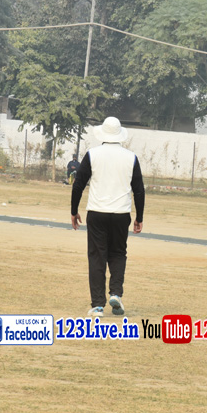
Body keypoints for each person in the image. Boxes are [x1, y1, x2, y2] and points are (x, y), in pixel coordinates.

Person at [71, 117, 145, 317]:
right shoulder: (131, 157)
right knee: (118, 253)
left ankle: (97, 305)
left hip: (97, 212)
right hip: (121, 213)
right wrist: (139, 217)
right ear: (120, 135)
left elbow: (78, 184)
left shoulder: (92, 155)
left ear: (102, 134)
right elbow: (139, 190)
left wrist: (74, 210)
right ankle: (116, 293)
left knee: (97, 257)